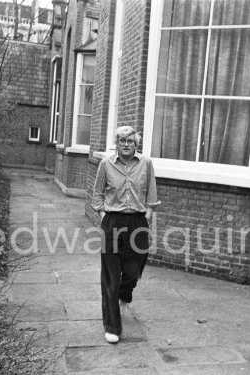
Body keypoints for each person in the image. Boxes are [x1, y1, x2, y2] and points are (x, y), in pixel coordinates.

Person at [91, 126, 160, 344]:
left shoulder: (146, 163)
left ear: (136, 145)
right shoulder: (106, 164)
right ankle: (112, 325)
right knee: (110, 275)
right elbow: (97, 193)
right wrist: (103, 216)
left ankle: (124, 293)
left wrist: (147, 215)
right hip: (112, 221)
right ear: (116, 143)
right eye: (122, 140)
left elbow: (152, 193)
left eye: (131, 141)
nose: (126, 144)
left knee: (134, 269)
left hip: (138, 221)